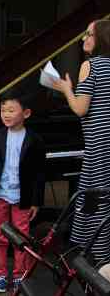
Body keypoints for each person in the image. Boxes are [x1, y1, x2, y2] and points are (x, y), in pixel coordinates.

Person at [52, 20, 110, 263]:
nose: (83, 39)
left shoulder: (91, 65)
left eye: (88, 34)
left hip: (99, 145)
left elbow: (80, 108)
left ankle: (98, 257)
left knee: (96, 199)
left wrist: (66, 89)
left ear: (101, 39)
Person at [0, 92, 45, 293]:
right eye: (3, 110)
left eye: (11, 110)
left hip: (22, 197)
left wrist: (36, 201)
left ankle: (20, 276)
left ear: (26, 113)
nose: (6, 114)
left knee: (21, 239)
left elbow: (39, 173)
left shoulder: (35, 140)